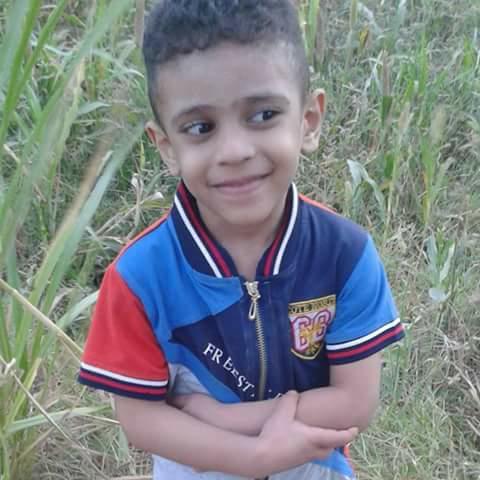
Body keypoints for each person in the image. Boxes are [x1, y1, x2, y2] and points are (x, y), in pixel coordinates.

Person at [78, 1, 404, 478]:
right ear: (167, 146)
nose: (234, 151)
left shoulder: (346, 256)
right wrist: (255, 457)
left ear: (308, 120)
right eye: (200, 127)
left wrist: (225, 418)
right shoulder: (137, 279)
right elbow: (141, 420)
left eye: (263, 114)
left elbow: (354, 403)